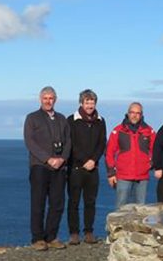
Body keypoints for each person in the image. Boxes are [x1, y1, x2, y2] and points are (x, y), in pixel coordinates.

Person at [23, 86, 71, 251]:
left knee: (57, 204)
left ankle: (51, 237)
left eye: (51, 98)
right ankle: (37, 238)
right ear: (40, 99)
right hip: (39, 167)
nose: (48, 101)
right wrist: (47, 159)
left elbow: (68, 142)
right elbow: (30, 142)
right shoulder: (32, 118)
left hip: (59, 167)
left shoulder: (62, 119)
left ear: (55, 99)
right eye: (45, 98)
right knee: (38, 203)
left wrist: (62, 159)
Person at [66, 89, 106, 245]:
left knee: (90, 202)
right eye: (87, 102)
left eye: (92, 102)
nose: (90, 105)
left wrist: (93, 160)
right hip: (76, 168)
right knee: (74, 202)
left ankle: (89, 232)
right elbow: (71, 143)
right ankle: (74, 233)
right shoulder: (72, 120)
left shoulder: (100, 121)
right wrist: (84, 161)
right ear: (81, 103)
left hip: (93, 168)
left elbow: (102, 142)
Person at [105, 102, 155, 209]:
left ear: (141, 115)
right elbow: (109, 152)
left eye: (138, 113)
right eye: (132, 112)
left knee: (140, 209)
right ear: (127, 113)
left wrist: (151, 163)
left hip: (142, 177)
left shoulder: (148, 131)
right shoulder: (118, 130)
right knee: (121, 208)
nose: (134, 115)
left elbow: (156, 149)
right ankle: (119, 226)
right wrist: (111, 173)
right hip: (123, 176)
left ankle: (138, 227)